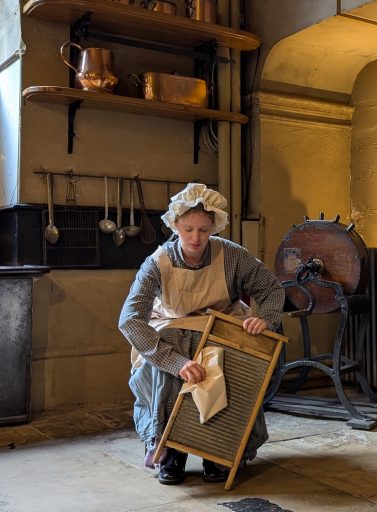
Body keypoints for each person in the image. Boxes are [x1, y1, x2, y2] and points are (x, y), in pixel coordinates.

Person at [117, 183, 285, 485]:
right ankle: (170, 453)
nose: (196, 238)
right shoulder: (157, 263)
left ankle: (218, 451)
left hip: (222, 325)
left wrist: (267, 319)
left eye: (204, 230)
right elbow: (129, 319)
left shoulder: (232, 255)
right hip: (172, 327)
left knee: (231, 364)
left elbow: (271, 288)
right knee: (169, 370)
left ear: (215, 227)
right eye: (189, 229)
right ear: (175, 225)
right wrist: (175, 362)